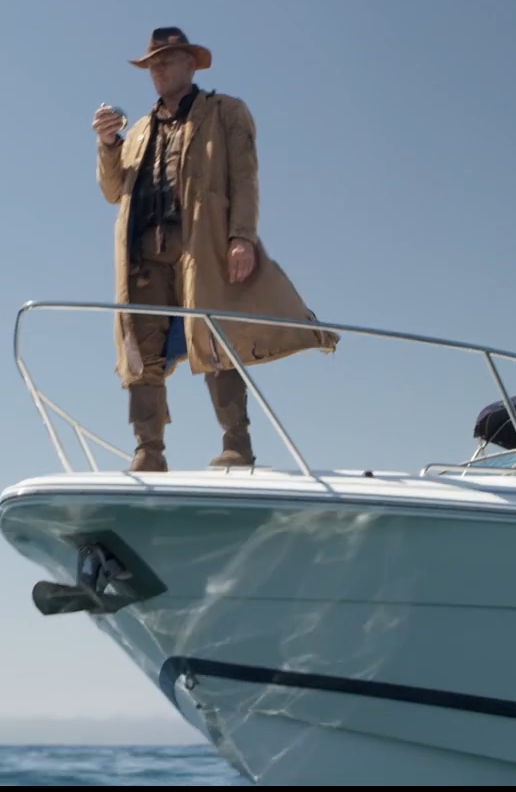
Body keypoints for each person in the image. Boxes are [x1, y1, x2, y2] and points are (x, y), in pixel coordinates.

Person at [90, 27, 335, 471]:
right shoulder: (140, 130)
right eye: (152, 65)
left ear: (190, 64)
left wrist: (241, 236)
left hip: (199, 248)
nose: (158, 70)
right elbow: (112, 190)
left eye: (166, 60)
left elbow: (244, 179)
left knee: (216, 342)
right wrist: (108, 146)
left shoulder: (225, 112)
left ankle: (236, 446)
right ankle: (149, 451)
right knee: (138, 353)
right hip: (143, 258)